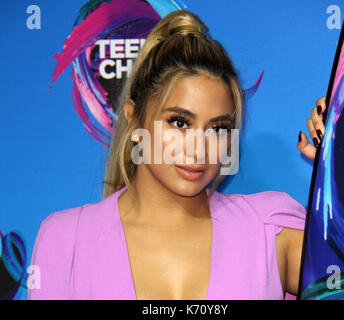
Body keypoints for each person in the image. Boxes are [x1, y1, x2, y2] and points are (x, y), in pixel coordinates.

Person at [27, 10, 327, 300]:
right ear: (134, 118)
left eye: (218, 128)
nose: (199, 149)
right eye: (180, 122)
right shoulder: (66, 242)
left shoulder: (271, 231)